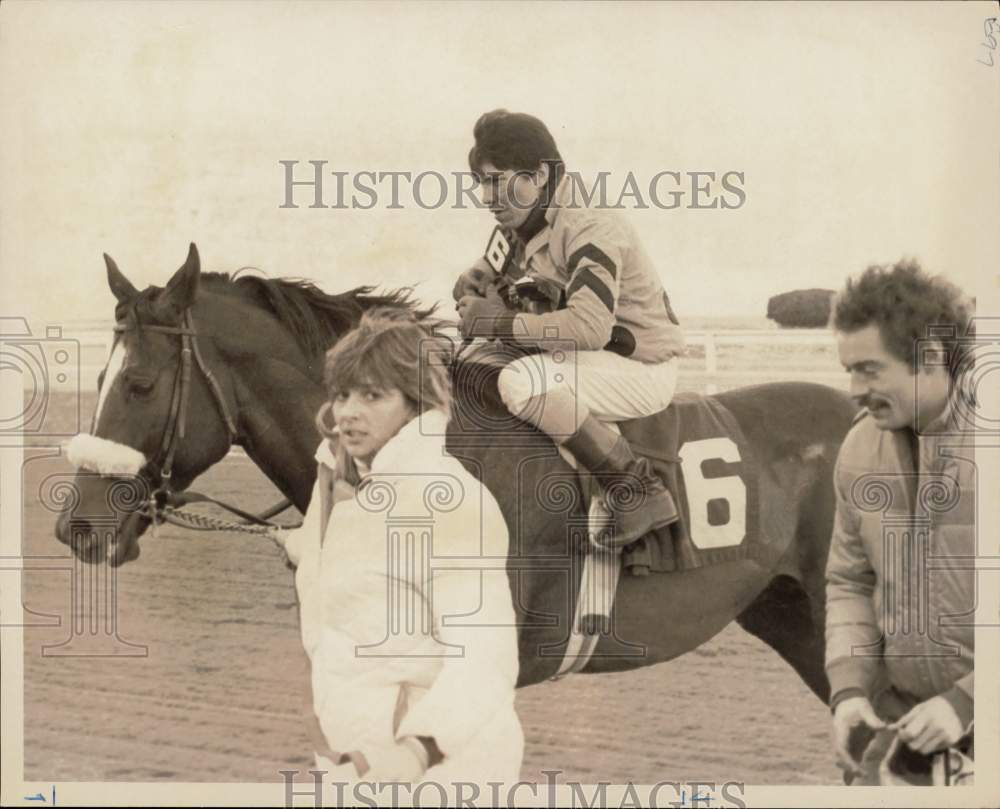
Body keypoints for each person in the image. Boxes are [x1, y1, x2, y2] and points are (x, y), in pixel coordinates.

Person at [273, 309, 524, 789]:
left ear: (414, 404)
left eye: (373, 395)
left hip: (445, 767)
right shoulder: (344, 482)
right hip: (358, 756)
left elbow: (486, 654)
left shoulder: (447, 498)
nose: (348, 412)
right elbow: (359, 566)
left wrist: (418, 750)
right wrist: (301, 545)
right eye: (342, 394)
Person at [454, 109, 686, 548]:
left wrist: (497, 321)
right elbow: (495, 271)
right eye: (480, 183)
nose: (486, 196)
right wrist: (475, 280)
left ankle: (637, 489)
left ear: (539, 174)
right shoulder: (521, 220)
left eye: (497, 180)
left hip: (638, 367)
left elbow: (589, 327)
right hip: (597, 359)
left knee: (520, 382)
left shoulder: (588, 223)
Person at [826, 260, 975, 785]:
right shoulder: (858, 447)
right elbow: (849, 581)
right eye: (849, 370)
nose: (853, 389)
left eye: (869, 369)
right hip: (906, 724)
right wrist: (848, 692)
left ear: (930, 357)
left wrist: (969, 700)